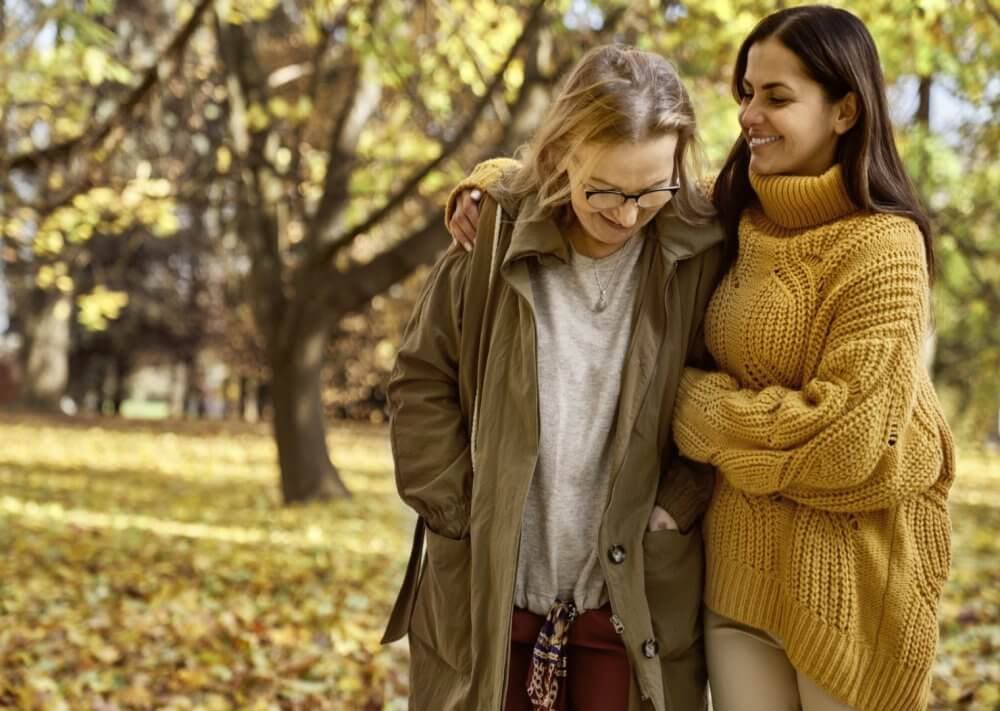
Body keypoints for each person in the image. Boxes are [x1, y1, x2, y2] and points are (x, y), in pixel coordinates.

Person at [445, 7, 955, 711]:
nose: (751, 114)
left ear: (845, 109)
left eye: (777, 97)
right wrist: (489, 181)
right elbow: (600, 167)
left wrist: (681, 401)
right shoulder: (727, 215)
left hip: (847, 586)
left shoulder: (884, 246)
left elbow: (849, 443)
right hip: (737, 583)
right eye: (746, 92)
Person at [382, 45, 727, 711]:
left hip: (630, 599)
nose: (627, 214)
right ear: (563, 148)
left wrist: (675, 508)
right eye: (605, 188)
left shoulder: (699, 255)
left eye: (650, 189)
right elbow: (419, 381)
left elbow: (726, 382)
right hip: (491, 592)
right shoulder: (488, 240)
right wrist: (458, 513)